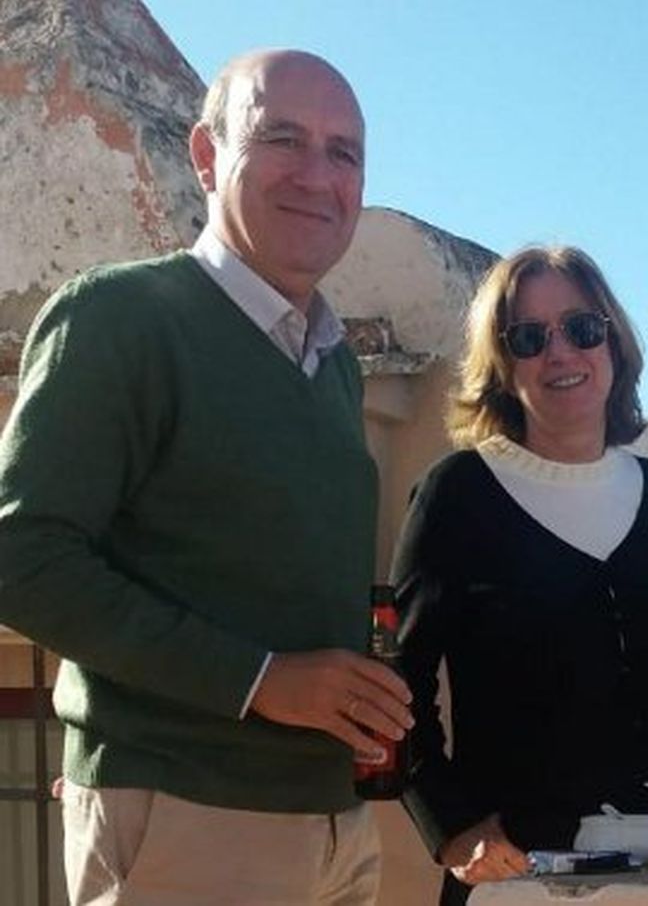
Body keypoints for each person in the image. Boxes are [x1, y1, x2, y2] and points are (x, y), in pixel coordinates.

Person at [0, 50, 411, 905]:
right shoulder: (116, 318)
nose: (317, 174)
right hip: (188, 817)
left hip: (333, 823)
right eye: (282, 138)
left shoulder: (333, 367)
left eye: (345, 152)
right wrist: (261, 678)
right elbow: (21, 558)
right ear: (205, 155)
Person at [393, 244, 648, 906]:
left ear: (612, 341)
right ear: (502, 363)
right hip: (518, 868)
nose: (560, 353)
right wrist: (450, 826)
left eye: (581, 328)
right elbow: (396, 684)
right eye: (529, 337)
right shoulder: (458, 493)